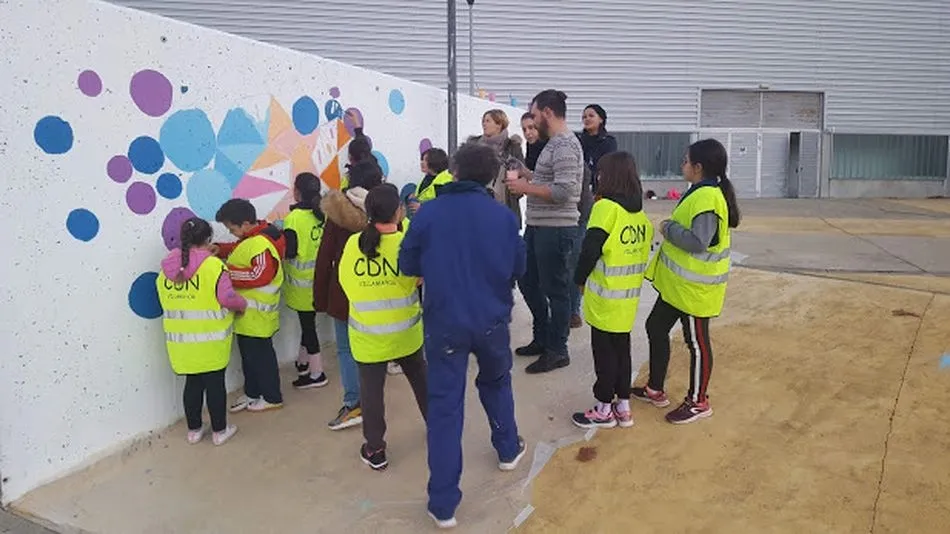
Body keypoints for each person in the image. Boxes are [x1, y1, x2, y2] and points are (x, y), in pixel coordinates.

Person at [400, 142, 527, 529]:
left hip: (444, 323)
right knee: (496, 382)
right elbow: (518, 267)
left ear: (453, 172)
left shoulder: (429, 213)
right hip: (491, 319)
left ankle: (443, 504)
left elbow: (407, 263)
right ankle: (507, 449)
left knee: (444, 408)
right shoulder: (503, 218)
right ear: (491, 176)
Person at [632, 138, 741, 424]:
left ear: (698, 167)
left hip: (695, 290)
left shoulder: (707, 198)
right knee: (655, 327)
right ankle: (655, 389)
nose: (682, 164)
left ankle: (698, 401)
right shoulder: (700, 192)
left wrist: (668, 228)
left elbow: (698, 242)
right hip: (677, 287)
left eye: (685, 160)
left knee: (697, 343)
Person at [338, 184, 428, 471]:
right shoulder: (407, 243)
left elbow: (346, 283)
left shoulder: (352, 245)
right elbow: (418, 278)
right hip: (406, 334)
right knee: (423, 384)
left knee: (371, 395)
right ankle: (440, 429)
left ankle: (375, 449)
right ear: (399, 212)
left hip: (367, 337)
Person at [569, 153, 652, 429]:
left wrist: (579, 279)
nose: (598, 178)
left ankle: (604, 407)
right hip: (628, 298)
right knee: (622, 350)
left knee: (604, 354)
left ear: (610, 176)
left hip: (605, 297)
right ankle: (623, 407)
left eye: (601, 173)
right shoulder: (638, 214)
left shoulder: (606, 209)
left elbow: (590, 249)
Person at [505, 89, 584, 374]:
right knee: (528, 280)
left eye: (535, 115)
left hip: (556, 229)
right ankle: (543, 337)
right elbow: (549, 180)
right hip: (539, 226)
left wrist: (525, 188)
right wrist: (527, 175)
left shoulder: (563, 145)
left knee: (556, 290)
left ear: (547, 113)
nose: (533, 120)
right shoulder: (553, 144)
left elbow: (564, 191)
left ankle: (557, 349)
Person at [156, 217, 245, 446]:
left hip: (181, 342)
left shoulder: (166, 268)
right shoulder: (214, 266)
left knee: (192, 383)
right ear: (208, 239)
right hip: (211, 338)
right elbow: (226, 298)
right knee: (215, 384)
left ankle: (194, 431)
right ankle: (219, 431)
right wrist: (242, 305)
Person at [314, 160, 385, 430]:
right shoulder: (388, 210)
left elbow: (325, 258)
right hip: (381, 292)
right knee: (375, 348)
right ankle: (374, 401)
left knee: (346, 349)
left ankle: (355, 403)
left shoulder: (337, 214)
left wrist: (319, 297)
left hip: (344, 292)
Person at [214, 199, 286, 413]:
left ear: (245, 224)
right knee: (248, 358)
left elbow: (259, 275)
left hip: (259, 317)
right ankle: (253, 393)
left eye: (232, 229)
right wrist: (219, 249)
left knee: (262, 359)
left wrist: (225, 275)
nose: (232, 232)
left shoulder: (261, 244)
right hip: (246, 316)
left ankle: (272, 396)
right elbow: (239, 250)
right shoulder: (250, 238)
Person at [570, 104, 618, 329]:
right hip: (577, 198)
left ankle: (580, 304)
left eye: (591, 115)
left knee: (589, 248)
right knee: (576, 250)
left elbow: (606, 169)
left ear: (601, 119)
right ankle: (573, 308)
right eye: (584, 116)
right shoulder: (576, 140)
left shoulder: (608, 142)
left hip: (598, 199)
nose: (586, 119)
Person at [282, 172, 329, 389]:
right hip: (321, 280)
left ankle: (317, 373)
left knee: (308, 327)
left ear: (297, 192)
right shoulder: (323, 214)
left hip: (301, 285)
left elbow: (290, 252)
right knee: (307, 323)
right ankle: (303, 362)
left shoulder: (293, 219)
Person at [468, 109, 525, 226]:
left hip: (504, 203)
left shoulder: (512, 147)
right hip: (478, 204)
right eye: (483, 121)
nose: (484, 124)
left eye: (488, 121)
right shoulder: (473, 146)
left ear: (499, 124)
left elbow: (521, 173)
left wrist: (514, 189)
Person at [407, 147, 452, 215]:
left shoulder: (443, 183)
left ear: (434, 162)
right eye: (422, 160)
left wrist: (422, 208)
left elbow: (444, 207)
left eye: (425, 160)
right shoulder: (428, 178)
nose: (421, 163)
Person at [340, 109, 377, 190]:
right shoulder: (374, 168)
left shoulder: (355, 179)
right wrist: (358, 127)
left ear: (350, 157)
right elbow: (363, 148)